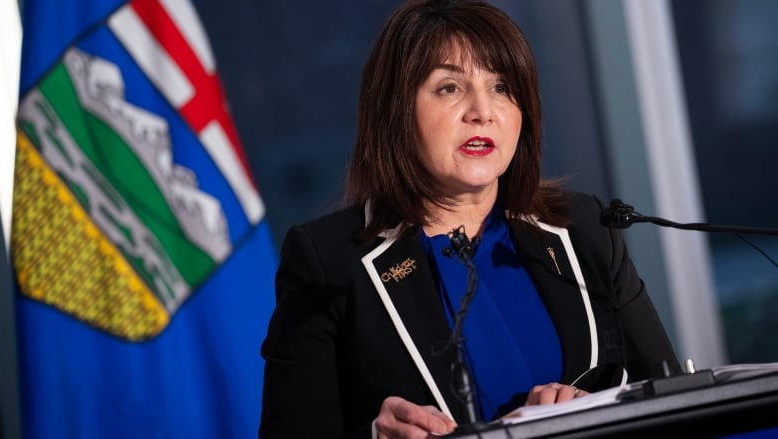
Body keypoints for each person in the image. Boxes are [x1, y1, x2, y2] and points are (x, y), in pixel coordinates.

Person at [259, 0, 680, 437]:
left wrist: (596, 410)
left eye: (501, 87)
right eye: (449, 87)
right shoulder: (328, 261)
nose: (483, 110)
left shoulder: (586, 229)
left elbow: (672, 395)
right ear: (396, 110)